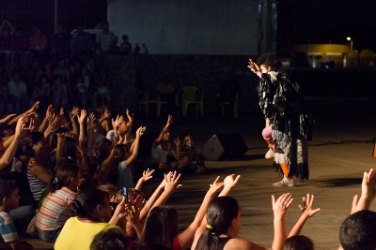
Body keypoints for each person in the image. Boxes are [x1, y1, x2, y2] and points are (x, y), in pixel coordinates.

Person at [247, 53, 310, 187]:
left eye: (263, 70)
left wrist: (258, 72)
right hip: (282, 121)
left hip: (287, 122)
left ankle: (286, 175)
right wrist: (258, 72)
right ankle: (286, 176)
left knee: (279, 148)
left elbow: (270, 79)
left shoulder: (280, 77)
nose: (262, 74)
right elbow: (269, 84)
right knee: (279, 150)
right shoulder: (277, 80)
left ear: (269, 68)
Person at [192, 193, 293, 250]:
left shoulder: (199, 235)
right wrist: (278, 217)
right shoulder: (235, 245)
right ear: (234, 222)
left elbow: (211, 213)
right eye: (240, 216)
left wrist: (225, 189)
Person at [54, 187, 125, 250]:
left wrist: (116, 216)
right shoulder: (110, 232)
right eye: (109, 204)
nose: (110, 207)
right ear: (99, 208)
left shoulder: (70, 221)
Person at [35, 162, 79, 242]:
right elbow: (80, 214)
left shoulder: (55, 191)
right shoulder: (70, 195)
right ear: (73, 180)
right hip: (50, 233)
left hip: (39, 230)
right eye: (80, 176)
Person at [0, 178, 33, 250]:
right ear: (5, 200)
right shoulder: (4, 218)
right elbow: (14, 246)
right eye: (16, 195)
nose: (19, 197)